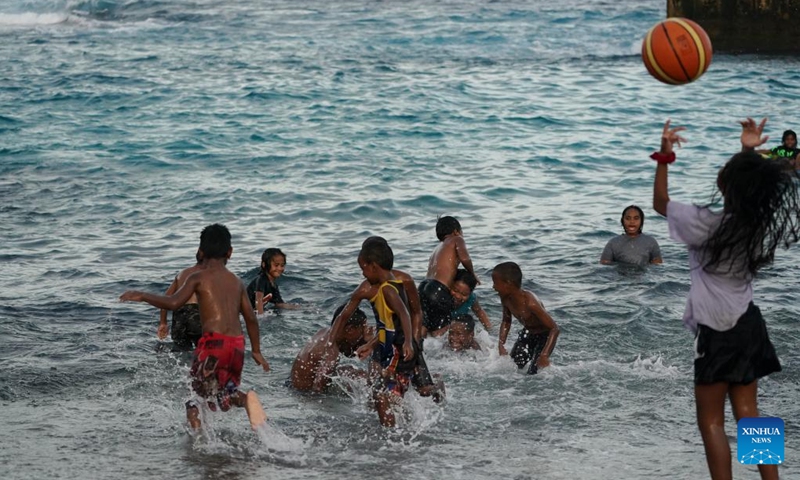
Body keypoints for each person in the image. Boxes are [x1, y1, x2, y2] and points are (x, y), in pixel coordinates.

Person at [653, 117, 797, 480]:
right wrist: (747, 148)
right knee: (749, 411)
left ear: (725, 185)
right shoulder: (756, 224)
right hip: (749, 322)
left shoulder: (705, 224)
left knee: (711, 423)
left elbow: (660, 203)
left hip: (717, 330)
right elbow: (745, 184)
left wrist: (664, 157)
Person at [120, 224, 270, 431]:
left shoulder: (197, 277)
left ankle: (198, 444)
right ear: (230, 253)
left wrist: (143, 295)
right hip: (236, 345)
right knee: (224, 394)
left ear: (201, 252)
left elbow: (173, 302)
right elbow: (251, 318)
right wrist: (256, 351)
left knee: (193, 397)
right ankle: (246, 401)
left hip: (213, 344)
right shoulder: (236, 282)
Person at [328, 236, 415, 427]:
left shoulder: (397, 284)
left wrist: (412, 340)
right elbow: (345, 316)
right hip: (385, 343)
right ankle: (396, 432)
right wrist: (332, 344)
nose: (362, 273)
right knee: (380, 391)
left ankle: (396, 433)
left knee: (395, 390)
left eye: (364, 268)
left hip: (402, 345)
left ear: (374, 265)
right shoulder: (367, 289)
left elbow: (409, 314)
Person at [493, 262, 559, 375]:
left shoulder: (530, 303)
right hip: (528, 332)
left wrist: (544, 355)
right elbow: (506, 321)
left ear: (508, 284)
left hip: (545, 336)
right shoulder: (505, 298)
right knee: (513, 367)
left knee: (534, 372)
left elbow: (554, 329)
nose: (493, 287)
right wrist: (501, 344)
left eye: (495, 283)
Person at [418, 216, 480, 337]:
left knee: (425, 324)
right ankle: (438, 352)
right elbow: (465, 258)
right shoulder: (457, 239)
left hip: (423, 287)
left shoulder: (437, 248)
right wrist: (473, 274)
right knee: (441, 329)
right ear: (456, 231)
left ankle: (418, 347)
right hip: (439, 289)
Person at [290, 305, 371, 393]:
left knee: (350, 371)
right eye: (362, 329)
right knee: (362, 377)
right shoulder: (331, 351)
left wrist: (368, 341)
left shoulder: (325, 333)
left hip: (293, 384)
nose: (362, 334)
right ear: (350, 329)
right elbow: (318, 387)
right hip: (304, 394)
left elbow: (350, 353)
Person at [158, 250, 204, 350]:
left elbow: (165, 299)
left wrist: (163, 323)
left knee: (180, 354)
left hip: (179, 316)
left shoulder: (181, 274)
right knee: (205, 352)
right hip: (197, 316)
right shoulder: (210, 275)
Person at [246, 247, 296, 314]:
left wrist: (300, 308)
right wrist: (261, 317)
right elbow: (258, 299)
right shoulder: (261, 280)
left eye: (282, 265)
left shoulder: (273, 284)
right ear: (264, 264)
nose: (279, 268)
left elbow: (279, 304)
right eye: (276, 265)